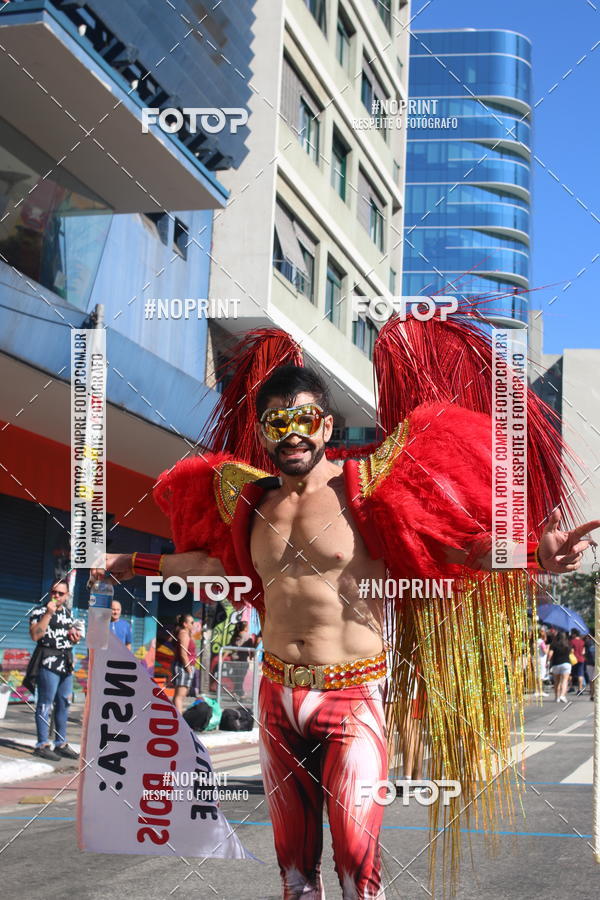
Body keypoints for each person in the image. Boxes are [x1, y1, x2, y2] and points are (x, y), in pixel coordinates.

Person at [94, 356, 599, 900]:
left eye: (304, 419)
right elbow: (215, 567)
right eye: (277, 422)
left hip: (352, 696)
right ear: (262, 433)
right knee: (294, 872)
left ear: (327, 425)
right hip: (276, 694)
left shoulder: (366, 490)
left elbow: (455, 548)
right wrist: (132, 562)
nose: (292, 433)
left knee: (358, 865)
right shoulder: (253, 504)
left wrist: (533, 556)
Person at [29, 578, 81, 760]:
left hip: (65, 662)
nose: (56, 596)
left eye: (60, 593)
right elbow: (35, 636)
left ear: (67, 596)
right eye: (54, 592)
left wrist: (75, 638)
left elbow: (69, 638)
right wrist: (48, 614)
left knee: (64, 703)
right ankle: (42, 744)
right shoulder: (39, 611)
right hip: (48, 661)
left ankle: (61, 743)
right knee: (45, 703)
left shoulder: (68, 614)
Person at [172, 613, 195, 714]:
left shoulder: (185, 633)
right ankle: (180, 720)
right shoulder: (183, 634)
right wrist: (188, 668)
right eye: (192, 622)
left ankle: (176, 717)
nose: (193, 624)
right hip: (183, 667)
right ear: (185, 624)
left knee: (179, 696)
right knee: (179, 697)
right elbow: (183, 653)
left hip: (184, 666)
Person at [547, 630, 573, 703]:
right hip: (566, 664)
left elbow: (550, 654)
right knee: (565, 680)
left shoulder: (554, 644)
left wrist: (548, 661)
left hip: (556, 664)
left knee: (557, 681)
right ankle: (562, 695)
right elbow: (571, 652)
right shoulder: (568, 644)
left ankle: (557, 697)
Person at [569, 628, 586, 694]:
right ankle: (580, 689)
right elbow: (583, 652)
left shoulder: (572, 641)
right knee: (580, 674)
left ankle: (571, 687)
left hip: (573, 659)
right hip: (581, 659)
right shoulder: (582, 642)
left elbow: (571, 651)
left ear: (574, 634)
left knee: (571, 674)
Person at [584, 632, 596, 700]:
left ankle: (592, 695)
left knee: (591, 680)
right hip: (596, 663)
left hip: (589, 663)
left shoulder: (588, 642)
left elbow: (584, 653)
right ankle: (594, 694)